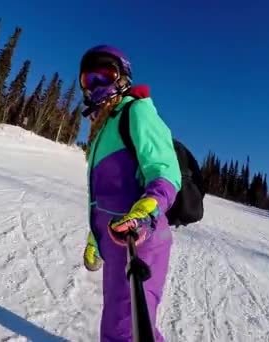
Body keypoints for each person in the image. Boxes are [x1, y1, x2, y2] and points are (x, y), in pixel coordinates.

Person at [79, 45, 181, 342]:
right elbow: (104, 197)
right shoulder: (101, 130)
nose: (97, 86)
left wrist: (147, 210)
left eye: (105, 75)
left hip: (142, 238)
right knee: (121, 323)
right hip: (115, 240)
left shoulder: (136, 111)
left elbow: (165, 171)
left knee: (125, 330)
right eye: (89, 80)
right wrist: (95, 238)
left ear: (122, 77)